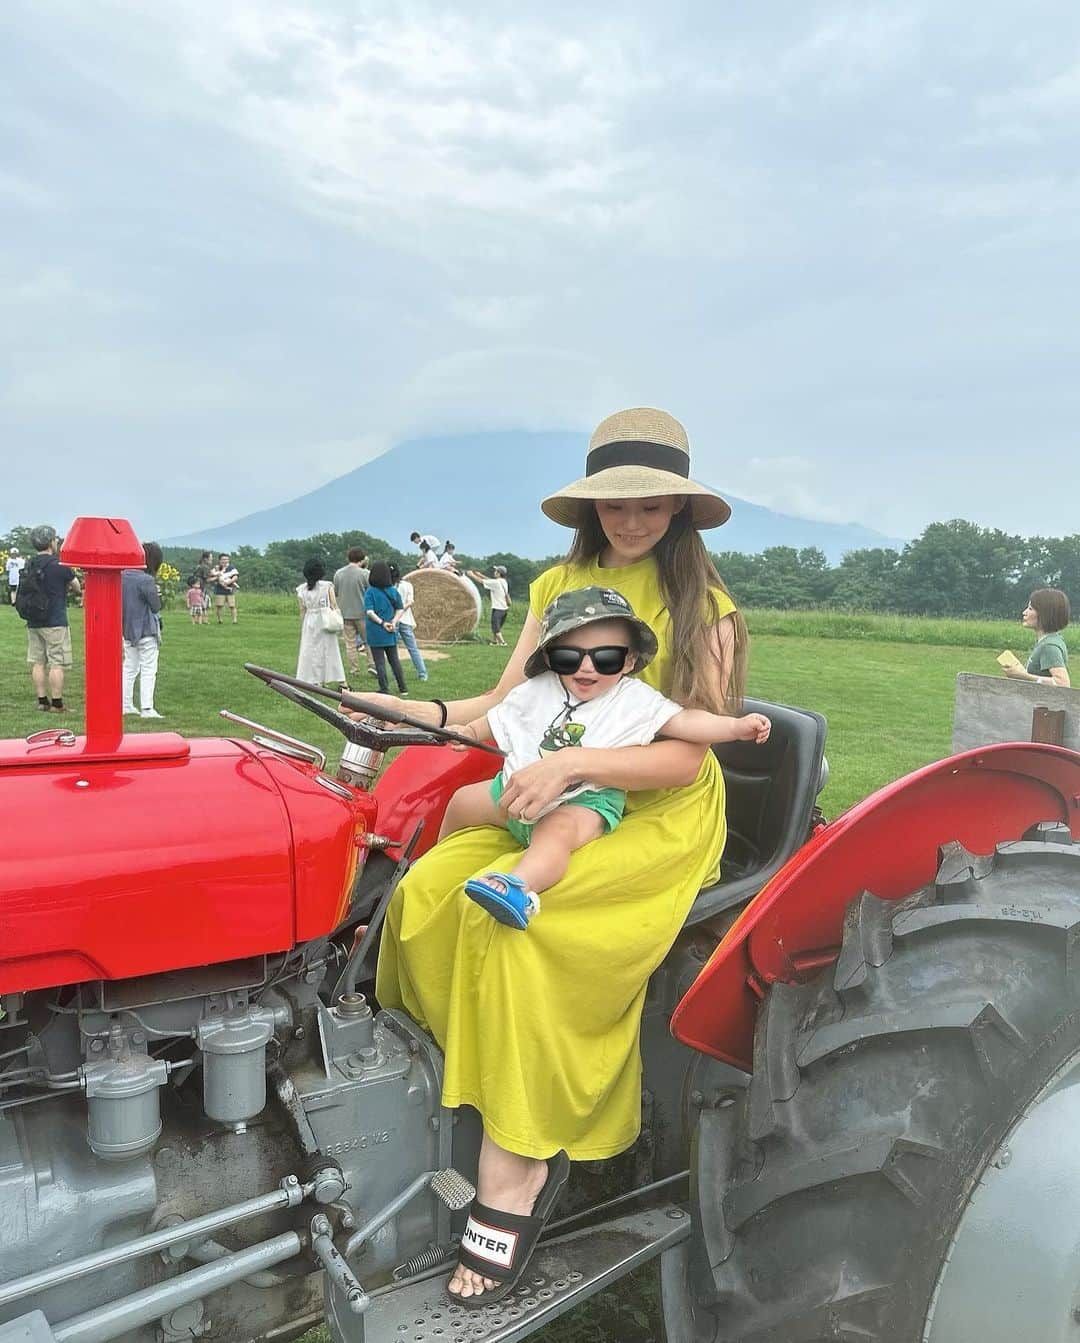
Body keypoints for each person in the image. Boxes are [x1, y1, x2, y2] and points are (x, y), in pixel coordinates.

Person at [373, 407, 747, 1306]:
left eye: (651, 503)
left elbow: (684, 751)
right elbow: (502, 702)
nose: (631, 520)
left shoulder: (707, 607)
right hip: (551, 782)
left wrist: (573, 760)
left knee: (526, 927)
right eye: (615, 504)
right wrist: (397, 714)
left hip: (648, 807)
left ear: (678, 508)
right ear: (589, 506)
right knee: (426, 886)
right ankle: (457, 1097)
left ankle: (521, 1168)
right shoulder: (554, 584)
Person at [441, 587, 770, 927]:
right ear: (552, 656)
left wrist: (733, 727)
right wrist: (469, 732)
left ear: (628, 661)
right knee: (462, 801)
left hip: (585, 800)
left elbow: (685, 721)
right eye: (569, 657)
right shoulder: (539, 688)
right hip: (517, 791)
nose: (586, 668)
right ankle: (433, 859)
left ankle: (518, 887)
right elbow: (501, 715)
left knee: (556, 834)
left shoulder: (634, 700)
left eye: (606, 658)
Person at [23, 524, 81, 713]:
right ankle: (57, 704)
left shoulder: (29, 564)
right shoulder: (59, 566)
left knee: (38, 661)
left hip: (33, 620)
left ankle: (42, 701)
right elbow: (77, 586)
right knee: (57, 662)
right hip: (55, 620)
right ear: (50, 542)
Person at [122, 542, 164, 718]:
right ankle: (147, 708)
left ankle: (125, 704)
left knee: (129, 667)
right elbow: (155, 606)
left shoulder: (122, 576)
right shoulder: (146, 580)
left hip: (127, 629)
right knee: (148, 668)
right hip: (146, 629)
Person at [1003, 588, 1071, 687]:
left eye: (1030, 609)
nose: (1024, 612)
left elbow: (1063, 684)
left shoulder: (1049, 646)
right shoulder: (1048, 641)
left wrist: (1023, 676)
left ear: (1045, 614)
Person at [296, 558, 346, 687]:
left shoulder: (301, 589)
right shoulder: (327, 586)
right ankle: (340, 681)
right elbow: (334, 605)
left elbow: (302, 610)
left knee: (310, 650)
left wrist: (303, 624)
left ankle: (314, 679)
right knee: (329, 650)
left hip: (309, 620)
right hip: (325, 620)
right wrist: (339, 620)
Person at [364, 561, 408, 695]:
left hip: (376, 630)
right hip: (391, 630)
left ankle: (384, 688)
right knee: (394, 660)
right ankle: (403, 688)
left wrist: (382, 623)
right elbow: (400, 608)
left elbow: (369, 612)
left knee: (379, 662)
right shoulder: (393, 591)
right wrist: (393, 622)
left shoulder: (370, 592)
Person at [333, 548, 374, 680]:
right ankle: (371, 665)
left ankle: (354, 669)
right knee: (369, 642)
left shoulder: (338, 574)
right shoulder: (365, 574)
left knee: (350, 644)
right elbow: (371, 592)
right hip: (363, 613)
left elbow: (335, 593)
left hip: (345, 613)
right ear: (361, 560)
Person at [388, 563, 428, 682]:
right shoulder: (407, 585)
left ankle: (396, 675)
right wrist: (402, 608)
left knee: (393, 650)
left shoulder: (388, 587)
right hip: (405, 619)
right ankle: (422, 673)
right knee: (413, 648)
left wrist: (398, 609)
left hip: (393, 620)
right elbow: (411, 601)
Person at [467, 564, 511, 645]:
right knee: (497, 626)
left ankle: (503, 642)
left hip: (498, 608)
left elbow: (481, 581)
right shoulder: (504, 582)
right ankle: (495, 642)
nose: (494, 572)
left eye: (496, 571)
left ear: (499, 573)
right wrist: (479, 574)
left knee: (495, 627)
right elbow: (489, 580)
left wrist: (471, 575)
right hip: (504, 609)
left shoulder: (496, 583)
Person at [212, 554, 239, 624]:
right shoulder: (216, 568)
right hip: (219, 590)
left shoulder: (231, 567)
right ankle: (220, 620)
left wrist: (228, 582)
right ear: (220, 560)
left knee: (232, 605)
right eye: (223, 559)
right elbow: (213, 577)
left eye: (226, 559)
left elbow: (235, 577)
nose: (225, 561)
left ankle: (235, 620)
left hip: (230, 590)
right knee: (219, 606)